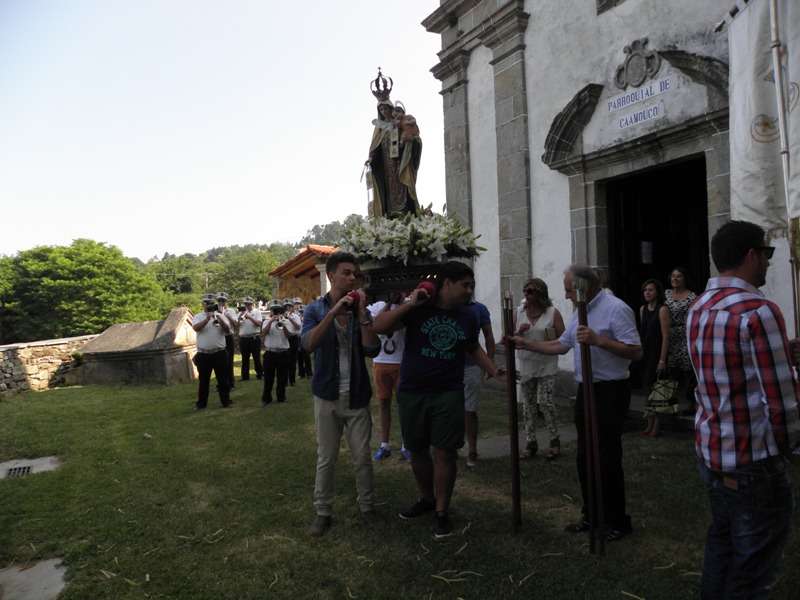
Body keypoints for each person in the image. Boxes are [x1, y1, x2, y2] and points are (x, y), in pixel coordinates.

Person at [687, 220, 799, 599]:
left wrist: (783, 350)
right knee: (753, 566)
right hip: (754, 460)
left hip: (713, 450)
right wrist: (790, 448)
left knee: (722, 544)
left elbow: (723, 369)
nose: (767, 264)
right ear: (751, 255)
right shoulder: (759, 310)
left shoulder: (699, 306)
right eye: (766, 255)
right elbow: (782, 404)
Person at [510, 265, 641, 542]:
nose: (566, 295)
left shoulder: (616, 309)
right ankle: (591, 515)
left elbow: (635, 350)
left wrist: (599, 340)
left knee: (606, 456)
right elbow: (562, 344)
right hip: (586, 389)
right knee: (585, 455)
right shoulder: (579, 310)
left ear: (584, 286)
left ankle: (617, 521)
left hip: (610, 389)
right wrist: (525, 344)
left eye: (569, 289)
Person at [373, 261, 503, 539]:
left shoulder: (469, 315)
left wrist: (492, 369)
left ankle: (442, 511)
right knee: (418, 450)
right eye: (464, 285)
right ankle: (427, 498)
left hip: (448, 392)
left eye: (472, 286)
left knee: (445, 451)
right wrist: (410, 303)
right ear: (446, 284)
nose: (469, 291)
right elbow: (379, 327)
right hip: (413, 391)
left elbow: (472, 347)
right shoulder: (419, 307)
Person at [301, 251, 380, 537]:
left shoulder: (362, 310)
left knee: (362, 457)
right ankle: (322, 512)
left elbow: (373, 349)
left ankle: (368, 507)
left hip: (357, 394)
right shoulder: (314, 310)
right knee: (326, 456)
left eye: (355, 274)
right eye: (346, 273)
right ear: (330, 275)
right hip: (327, 395)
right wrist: (334, 313)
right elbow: (308, 344)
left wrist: (362, 316)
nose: (351, 278)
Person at [514, 278, 565, 459]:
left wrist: (546, 341)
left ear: (540, 294)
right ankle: (531, 442)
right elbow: (510, 338)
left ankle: (554, 440)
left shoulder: (552, 313)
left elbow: (563, 339)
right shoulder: (520, 312)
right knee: (528, 405)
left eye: (531, 291)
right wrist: (519, 333)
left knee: (545, 402)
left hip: (547, 364)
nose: (526, 295)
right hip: (527, 364)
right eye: (525, 291)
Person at [366, 70, 422, 218]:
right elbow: (375, 148)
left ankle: (404, 212)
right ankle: (389, 213)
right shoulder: (379, 129)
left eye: (386, 108)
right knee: (389, 192)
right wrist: (372, 159)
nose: (384, 111)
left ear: (391, 108)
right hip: (386, 166)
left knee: (402, 188)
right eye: (381, 109)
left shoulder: (400, 123)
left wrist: (409, 143)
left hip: (400, 163)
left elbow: (415, 138)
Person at [369, 291, 411, 462]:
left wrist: (401, 304)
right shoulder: (378, 305)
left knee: (404, 406)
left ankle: (406, 445)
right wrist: (388, 304)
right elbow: (376, 324)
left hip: (401, 362)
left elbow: (402, 322)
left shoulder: (408, 305)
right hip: (380, 361)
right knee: (383, 404)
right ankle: (384, 444)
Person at [463, 298, 496, 468]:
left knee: (470, 409)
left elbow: (489, 336)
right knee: (450, 408)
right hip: (448, 366)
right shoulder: (446, 304)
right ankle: (450, 446)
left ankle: (472, 450)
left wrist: (489, 362)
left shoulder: (479, 309)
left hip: (471, 366)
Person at [638, 279, 671, 437]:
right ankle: (649, 422)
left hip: (658, 353)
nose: (647, 293)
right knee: (647, 389)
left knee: (658, 390)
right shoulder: (642, 309)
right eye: (645, 290)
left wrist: (662, 360)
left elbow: (666, 336)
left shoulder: (662, 309)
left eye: (650, 290)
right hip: (646, 353)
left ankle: (657, 425)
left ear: (657, 292)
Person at [191, 294, 233, 410]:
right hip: (203, 354)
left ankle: (226, 401)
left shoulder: (220, 315)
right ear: (203, 304)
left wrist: (219, 318)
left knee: (223, 379)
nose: (209, 305)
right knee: (204, 381)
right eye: (207, 303)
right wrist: (207, 318)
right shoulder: (198, 316)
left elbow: (228, 330)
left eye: (211, 303)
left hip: (219, 353)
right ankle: (201, 404)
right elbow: (196, 328)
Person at [665, 266, 697, 413]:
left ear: (685, 279)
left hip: (685, 335)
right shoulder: (666, 295)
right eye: (673, 276)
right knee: (671, 371)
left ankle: (692, 403)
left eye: (679, 276)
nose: (675, 279)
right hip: (668, 335)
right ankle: (670, 404)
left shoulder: (692, 297)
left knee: (689, 372)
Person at [238, 296, 263, 382]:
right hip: (244, 339)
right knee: (245, 358)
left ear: (252, 304)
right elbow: (236, 325)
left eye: (249, 304)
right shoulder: (241, 313)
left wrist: (249, 317)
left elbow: (259, 324)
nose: (247, 306)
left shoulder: (257, 312)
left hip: (254, 338)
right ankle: (245, 377)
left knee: (256, 357)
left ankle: (260, 374)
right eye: (246, 304)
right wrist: (240, 317)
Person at [216, 292, 238, 390]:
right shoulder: (214, 311)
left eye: (223, 300)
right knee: (219, 362)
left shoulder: (231, 311)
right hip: (218, 337)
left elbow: (236, 325)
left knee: (229, 361)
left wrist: (227, 315)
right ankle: (221, 383)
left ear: (226, 301)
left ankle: (231, 383)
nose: (221, 302)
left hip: (228, 337)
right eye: (220, 300)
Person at [283, 299, 302, 386]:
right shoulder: (281, 316)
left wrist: (290, 318)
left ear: (292, 307)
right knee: (285, 360)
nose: (287, 308)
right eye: (286, 307)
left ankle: (292, 380)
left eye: (289, 307)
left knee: (293, 360)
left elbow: (298, 327)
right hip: (284, 338)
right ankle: (285, 379)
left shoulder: (296, 316)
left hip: (294, 339)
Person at [294, 298, 313, 379]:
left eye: (298, 303)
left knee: (306, 355)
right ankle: (301, 373)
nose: (297, 305)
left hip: (305, 334)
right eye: (295, 304)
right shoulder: (293, 314)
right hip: (298, 336)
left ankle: (309, 373)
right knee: (299, 356)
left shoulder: (305, 311)